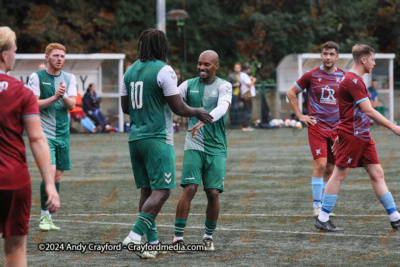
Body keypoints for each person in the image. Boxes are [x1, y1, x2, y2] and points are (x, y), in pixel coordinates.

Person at [120, 28, 213, 259]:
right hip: (158, 139)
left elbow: (124, 109)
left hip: (135, 138)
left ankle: (151, 243)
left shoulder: (129, 71)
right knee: (161, 191)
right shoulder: (164, 69)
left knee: (147, 190)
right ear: (162, 46)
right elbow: (178, 107)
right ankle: (134, 236)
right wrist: (197, 111)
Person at [315, 44, 400, 232]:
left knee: (377, 173)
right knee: (340, 173)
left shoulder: (355, 80)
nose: (374, 63)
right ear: (364, 60)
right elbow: (368, 110)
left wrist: (338, 133)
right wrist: (394, 126)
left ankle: (395, 218)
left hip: (362, 135)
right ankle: (322, 217)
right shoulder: (353, 81)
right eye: (372, 60)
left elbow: (346, 110)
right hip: (353, 135)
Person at [0, 26, 60, 267]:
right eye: (15, 50)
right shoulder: (21, 92)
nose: (15, 54)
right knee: (15, 251)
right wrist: (49, 184)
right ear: (5, 55)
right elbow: (37, 139)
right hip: (12, 180)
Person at [172, 50, 232, 252]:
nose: (202, 68)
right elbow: (171, 98)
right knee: (189, 189)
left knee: (213, 192)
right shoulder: (188, 85)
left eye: (207, 64)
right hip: (194, 144)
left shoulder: (224, 85)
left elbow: (223, 107)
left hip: (217, 147)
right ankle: (178, 238)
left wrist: (203, 121)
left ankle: (208, 237)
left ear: (216, 66)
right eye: (199, 64)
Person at [287, 41, 345, 217]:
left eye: (331, 54)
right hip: (317, 127)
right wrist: (300, 115)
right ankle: (317, 206)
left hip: (337, 130)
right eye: (325, 54)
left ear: (337, 57)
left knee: (331, 168)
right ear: (321, 55)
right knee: (320, 165)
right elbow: (291, 93)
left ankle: (325, 206)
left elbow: (351, 102)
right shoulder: (311, 76)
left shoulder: (344, 77)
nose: (328, 57)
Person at [28, 43, 77, 231]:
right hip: (44, 134)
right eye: (55, 56)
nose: (59, 59)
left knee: (57, 176)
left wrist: (63, 97)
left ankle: (49, 211)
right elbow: (34, 104)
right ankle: (44, 215)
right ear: (47, 58)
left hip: (63, 134)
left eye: (62, 56)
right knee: (51, 170)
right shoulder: (37, 77)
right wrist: (55, 97)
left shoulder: (69, 78)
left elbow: (72, 105)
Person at [239, 62, 256, 132]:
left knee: (247, 109)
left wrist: (250, 78)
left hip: (246, 94)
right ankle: (245, 126)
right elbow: (249, 85)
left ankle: (245, 125)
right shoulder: (244, 75)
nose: (249, 69)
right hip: (247, 95)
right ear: (246, 69)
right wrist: (254, 80)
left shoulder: (243, 75)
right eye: (248, 68)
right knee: (247, 110)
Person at [228, 62, 241, 126]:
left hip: (241, 95)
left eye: (238, 67)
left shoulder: (243, 75)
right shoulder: (231, 76)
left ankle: (239, 122)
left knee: (240, 108)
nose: (237, 69)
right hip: (234, 94)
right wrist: (234, 85)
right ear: (234, 68)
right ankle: (233, 123)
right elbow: (227, 84)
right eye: (236, 67)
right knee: (233, 108)